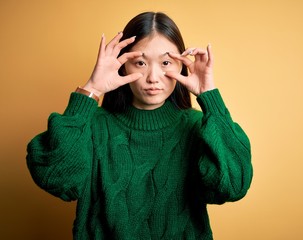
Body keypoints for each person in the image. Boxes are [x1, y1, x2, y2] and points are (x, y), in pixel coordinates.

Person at [26, 11, 253, 240]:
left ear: (182, 66)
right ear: (123, 65)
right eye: (140, 63)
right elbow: (57, 178)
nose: (153, 77)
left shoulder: (197, 127)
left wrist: (210, 97)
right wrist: (92, 89)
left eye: (166, 62)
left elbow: (233, 186)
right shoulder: (93, 125)